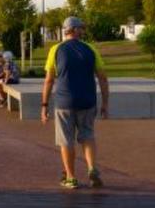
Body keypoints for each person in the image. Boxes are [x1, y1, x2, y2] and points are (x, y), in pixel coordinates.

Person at [41, 16, 109, 189]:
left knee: (66, 141)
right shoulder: (90, 49)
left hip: (64, 102)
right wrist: (105, 104)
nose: (83, 31)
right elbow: (102, 78)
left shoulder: (56, 50)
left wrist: (44, 106)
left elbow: (49, 80)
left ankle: (70, 177)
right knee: (87, 136)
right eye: (82, 28)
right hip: (87, 101)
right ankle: (92, 168)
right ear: (76, 30)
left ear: (66, 31)